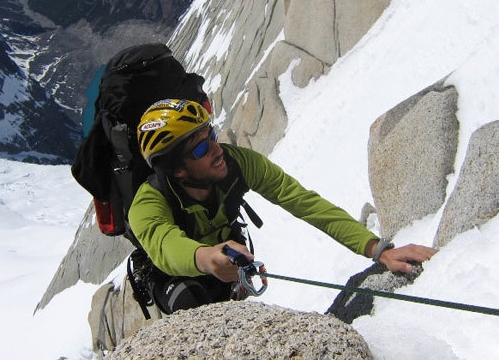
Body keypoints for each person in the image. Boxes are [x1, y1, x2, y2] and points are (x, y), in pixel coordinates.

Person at [128, 98, 437, 314]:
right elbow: (164, 245)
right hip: (175, 275)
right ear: (177, 170)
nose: (216, 148)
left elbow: (302, 201)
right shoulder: (148, 202)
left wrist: (377, 249)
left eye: (211, 134)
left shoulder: (238, 164)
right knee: (191, 304)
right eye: (199, 147)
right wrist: (206, 257)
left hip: (226, 256)